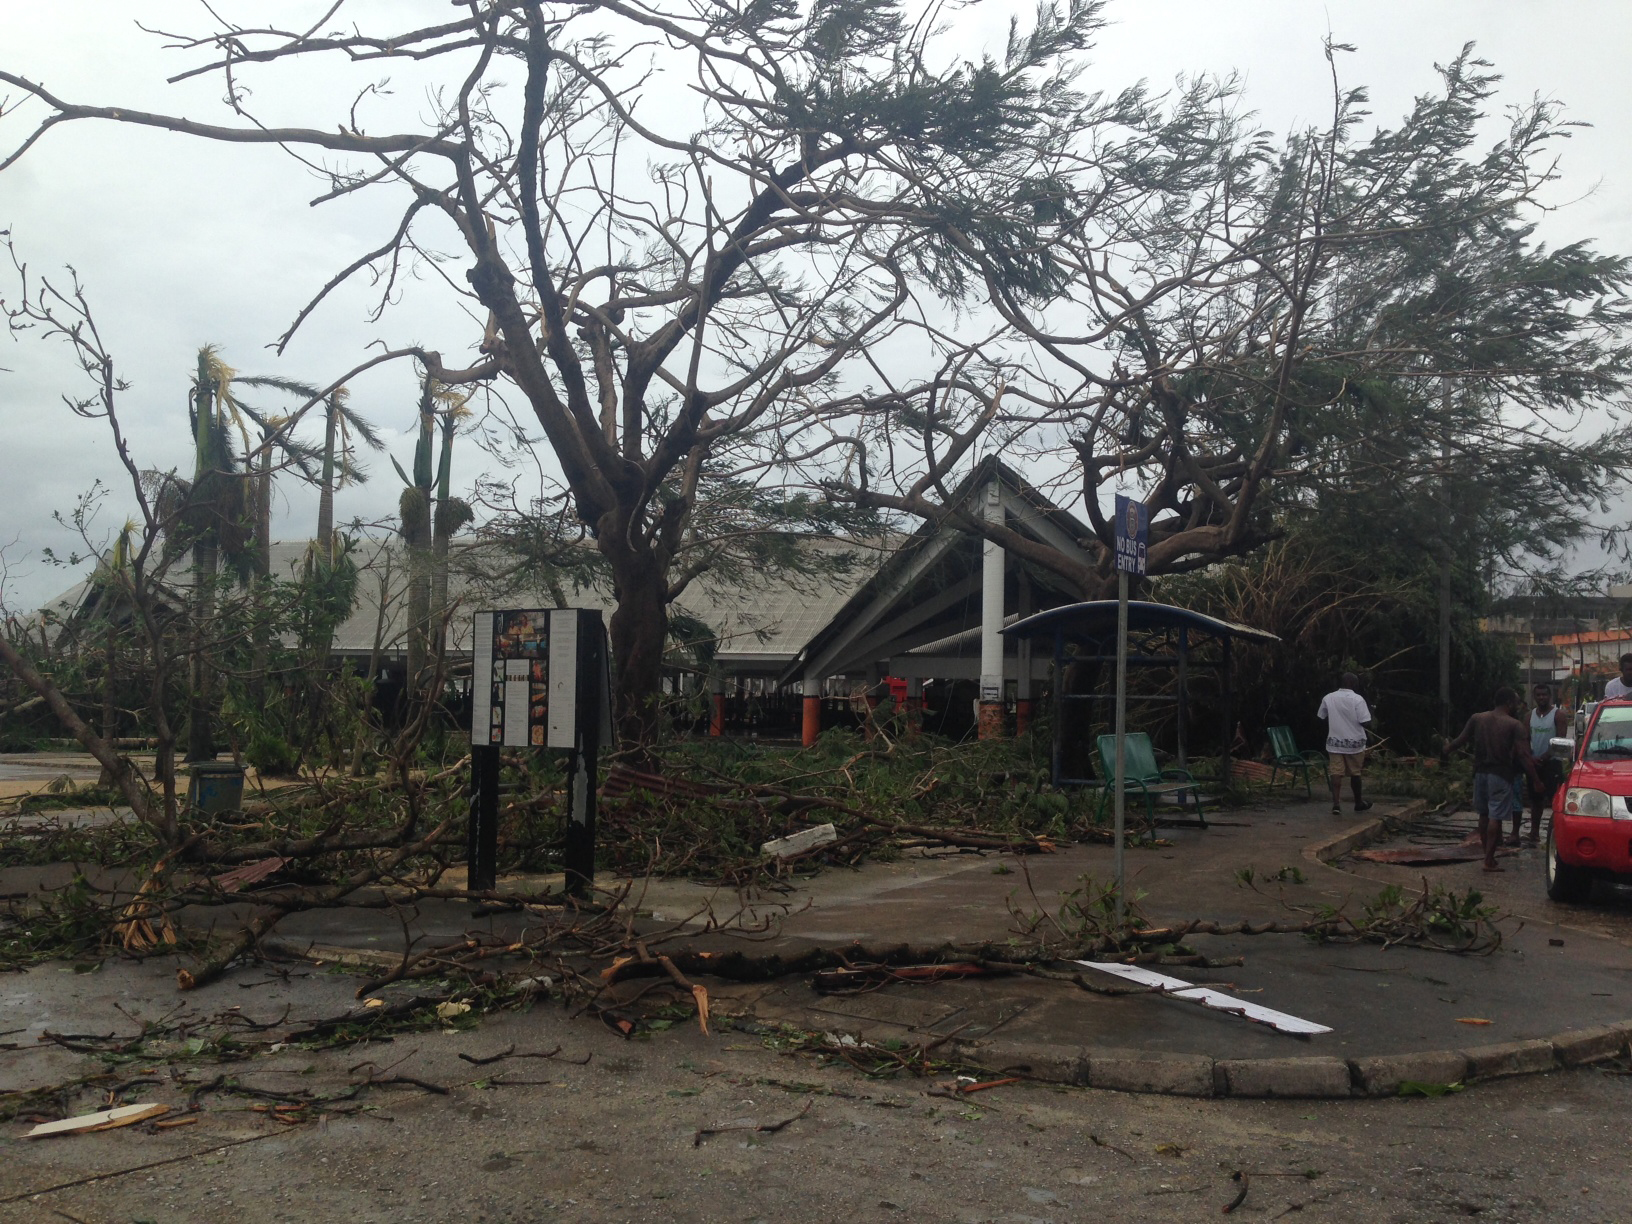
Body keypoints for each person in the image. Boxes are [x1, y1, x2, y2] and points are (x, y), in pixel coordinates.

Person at [1443, 687, 1543, 872]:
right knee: (1495, 816)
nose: (1518, 705)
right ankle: (1489, 860)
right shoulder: (1514, 725)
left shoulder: (1477, 718)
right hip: (1501, 774)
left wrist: (1446, 750)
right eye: (1516, 702)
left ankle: (1486, 854)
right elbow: (1524, 755)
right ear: (1509, 703)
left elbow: (1460, 740)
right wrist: (1536, 780)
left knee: (1483, 814)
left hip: (1480, 773)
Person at [1518, 682, 1569, 846]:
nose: (1541, 697)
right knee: (1535, 801)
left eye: (1544, 695)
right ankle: (1534, 833)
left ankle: (1557, 833)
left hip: (1552, 763)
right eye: (1538, 695)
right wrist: (1530, 758)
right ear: (1534, 697)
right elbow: (1525, 739)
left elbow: (1560, 741)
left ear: (1550, 696)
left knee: (1555, 800)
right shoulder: (1528, 716)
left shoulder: (1558, 715)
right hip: (1534, 764)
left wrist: (1545, 757)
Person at [1317, 672, 1373, 816]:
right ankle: (1358, 803)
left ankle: (1336, 804)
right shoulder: (1357, 699)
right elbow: (1364, 721)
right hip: (1354, 743)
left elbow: (1321, 716)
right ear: (1353, 684)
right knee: (1355, 773)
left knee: (1336, 772)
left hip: (1335, 742)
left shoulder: (1328, 697)